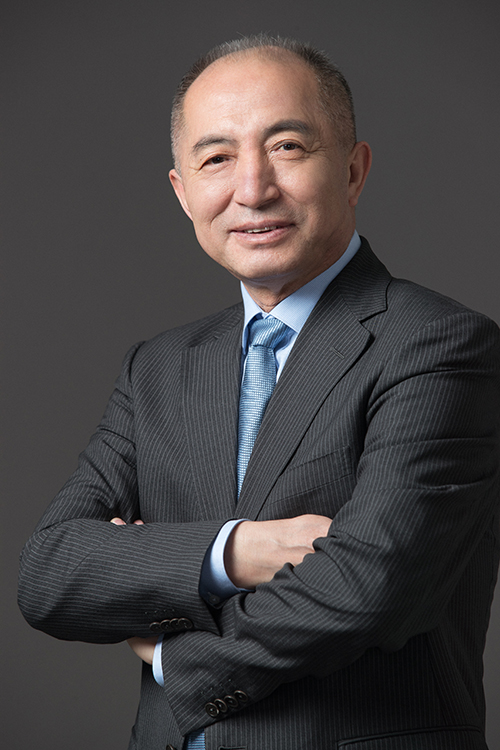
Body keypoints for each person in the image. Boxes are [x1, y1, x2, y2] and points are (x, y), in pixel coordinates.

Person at [18, 35, 500, 750]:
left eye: (287, 147)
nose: (252, 189)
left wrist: (176, 655)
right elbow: (50, 573)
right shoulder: (158, 369)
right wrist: (235, 551)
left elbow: (369, 589)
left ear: (353, 170)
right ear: (183, 192)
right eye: (216, 159)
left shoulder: (439, 345)